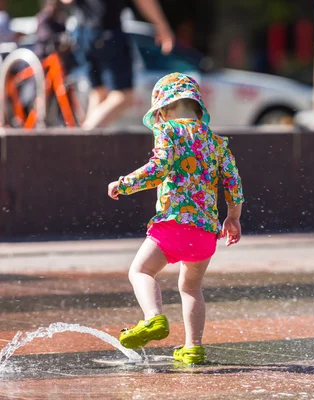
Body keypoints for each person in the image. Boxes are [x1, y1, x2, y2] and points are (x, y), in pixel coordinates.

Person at [107, 72, 245, 365]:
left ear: (163, 110)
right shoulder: (217, 143)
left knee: (141, 272)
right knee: (191, 287)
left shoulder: (168, 130)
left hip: (173, 225)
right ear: (197, 108)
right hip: (206, 234)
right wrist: (233, 218)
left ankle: (154, 318)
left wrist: (125, 183)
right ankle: (193, 348)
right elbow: (233, 183)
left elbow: (158, 168)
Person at [59, 0, 174, 130]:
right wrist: (162, 26)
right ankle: (83, 139)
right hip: (107, 31)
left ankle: (89, 146)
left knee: (98, 93)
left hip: (82, 35)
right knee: (124, 96)